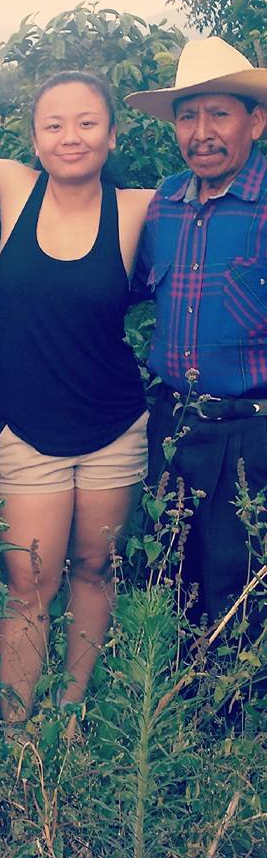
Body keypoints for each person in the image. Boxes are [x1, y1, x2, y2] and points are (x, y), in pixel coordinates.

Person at [0, 72, 154, 720]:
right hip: (28, 426)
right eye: (54, 124)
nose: (71, 136)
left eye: (87, 123)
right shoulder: (16, 187)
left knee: (94, 567)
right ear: (34, 139)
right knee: (28, 582)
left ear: (112, 134)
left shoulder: (139, 208)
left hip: (114, 425)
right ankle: (17, 728)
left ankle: (71, 708)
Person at [125, 37, 267, 630]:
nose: (202, 132)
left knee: (242, 599)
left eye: (219, 114)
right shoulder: (165, 203)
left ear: (255, 122)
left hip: (252, 435)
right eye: (188, 117)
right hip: (174, 427)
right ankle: (176, 689)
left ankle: (238, 693)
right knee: (171, 585)